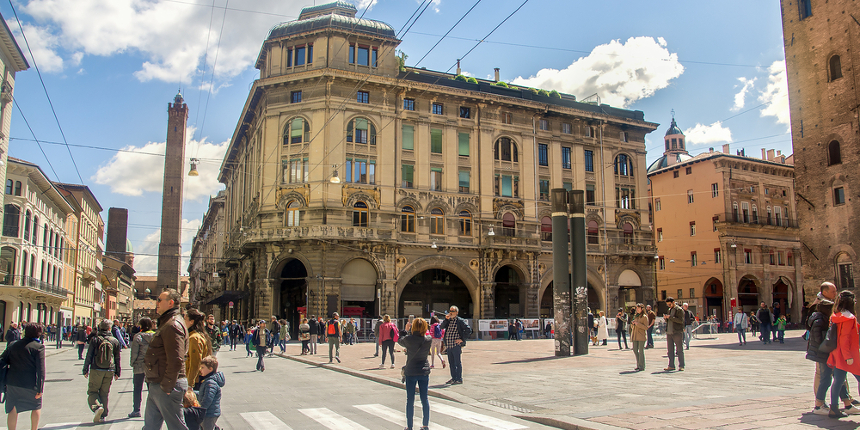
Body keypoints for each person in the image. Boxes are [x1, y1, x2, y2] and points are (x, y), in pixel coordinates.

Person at [143, 288, 190, 430]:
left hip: (167, 385)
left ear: (170, 303)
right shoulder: (167, 322)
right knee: (150, 427)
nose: (156, 303)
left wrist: (167, 386)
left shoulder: (172, 325)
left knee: (177, 427)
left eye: (159, 300)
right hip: (158, 383)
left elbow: (176, 359)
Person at [0, 323, 45, 430]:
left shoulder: (13, 345)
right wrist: (40, 388)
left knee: (13, 408)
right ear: (38, 334)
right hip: (30, 383)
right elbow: (41, 370)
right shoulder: (38, 347)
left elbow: (2, 360)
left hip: (12, 382)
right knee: (36, 406)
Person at [825, 290, 860, 418]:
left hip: (837, 353)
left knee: (838, 380)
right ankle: (834, 408)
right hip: (848, 354)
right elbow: (844, 338)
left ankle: (834, 408)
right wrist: (848, 356)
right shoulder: (849, 317)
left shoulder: (835, 316)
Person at [83, 319, 122, 423]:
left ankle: (97, 407)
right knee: (104, 393)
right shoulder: (114, 341)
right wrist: (118, 371)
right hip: (110, 369)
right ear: (110, 328)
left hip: (96, 369)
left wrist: (85, 369)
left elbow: (89, 355)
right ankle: (103, 415)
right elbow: (117, 357)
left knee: (92, 391)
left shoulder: (95, 340)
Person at [398, 317, 432, 430]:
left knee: (410, 400)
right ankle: (425, 425)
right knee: (424, 399)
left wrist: (405, 330)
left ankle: (409, 426)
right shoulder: (428, 339)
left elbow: (400, 340)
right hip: (424, 371)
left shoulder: (409, 339)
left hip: (411, 371)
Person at [128, 317, 155, 418]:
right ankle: (154, 410)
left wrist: (132, 363)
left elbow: (134, 352)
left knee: (137, 388)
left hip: (139, 365)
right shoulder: (155, 336)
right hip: (151, 365)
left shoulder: (138, 337)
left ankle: (136, 410)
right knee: (151, 389)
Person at [440, 306, 472, 385]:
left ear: (456, 312)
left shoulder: (460, 321)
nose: (451, 312)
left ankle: (459, 378)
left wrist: (462, 339)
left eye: (453, 311)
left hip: (455, 345)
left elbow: (468, 330)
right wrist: (446, 319)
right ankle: (453, 378)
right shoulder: (448, 320)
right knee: (451, 363)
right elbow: (441, 327)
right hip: (449, 345)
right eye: (450, 311)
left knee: (457, 362)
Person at [184, 308, 213, 388]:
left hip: (196, 380)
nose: (183, 321)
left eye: (185, 319)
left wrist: (190, 384)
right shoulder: (196, 336)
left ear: (191, 322)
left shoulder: (194, 338)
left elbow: (195, 363)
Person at [194, 355, 224, 430]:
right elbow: (203, 393)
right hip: (209, 412)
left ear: (210, 369)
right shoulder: (207, 381)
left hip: (209, 413)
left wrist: (200, 411)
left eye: (203, 367)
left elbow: (208, 399)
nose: (200, 370)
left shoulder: (210, 383)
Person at [664, 297, 685, 371]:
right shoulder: (669, 310)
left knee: (679, 349)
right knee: (670, 350)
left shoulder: (679, 310)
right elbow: (669, 320)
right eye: (668, 305)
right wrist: (666, 318)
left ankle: (681, 365)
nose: (669, 306)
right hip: (669, 332)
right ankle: (671, 365)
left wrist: (671, 317)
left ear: (673, 302)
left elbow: (680, 320)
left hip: (677, 332)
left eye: (670, 304)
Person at [630, 304, 648, 371]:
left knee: (641, 351)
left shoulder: (644, 317)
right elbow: (632, 327)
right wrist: (633, 324)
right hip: (635, 335)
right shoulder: (635, 316)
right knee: (635, 349)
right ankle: (638, 364)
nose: (637, 309)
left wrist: (638, 324)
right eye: (636, 308)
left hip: (641, 336)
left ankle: (641, 365)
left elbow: (646, 327)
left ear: (642, 309)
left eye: (638, 308)